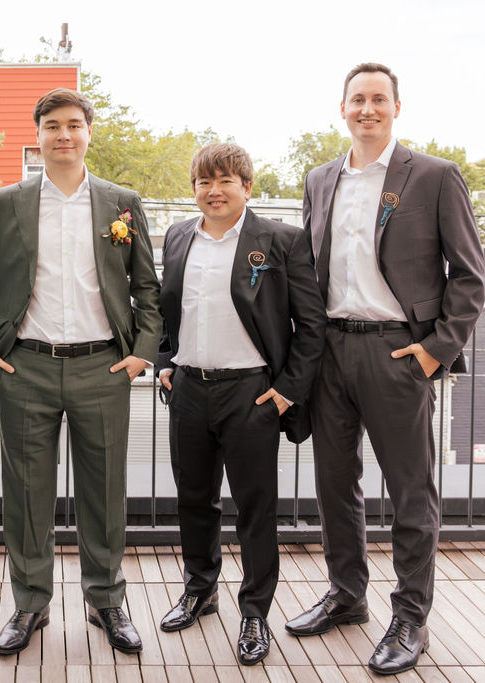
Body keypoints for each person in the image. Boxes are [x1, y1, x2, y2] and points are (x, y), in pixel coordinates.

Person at [284, 63, 485, 675]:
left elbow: (470, 276)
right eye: (357, 99)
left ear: (397, 107)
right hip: (331, 352)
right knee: (334, 484)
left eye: (378, 99)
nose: (366, 109)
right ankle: (347, 595)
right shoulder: (320, 180)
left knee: (409, 490)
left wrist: (436, 350)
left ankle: (410, 616)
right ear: (340, 109)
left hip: (399, 354)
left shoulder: (433, 176)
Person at [0, 88, 161, 656]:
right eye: (52, 125)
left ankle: (107, 601)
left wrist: (143, 351)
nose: (63, 135)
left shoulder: (122, 202)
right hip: (26, 367)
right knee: (26, 494)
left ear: (88, 131)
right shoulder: (6, 202)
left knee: (105, 490)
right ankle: (29, 605)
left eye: (73, 124)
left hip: (104, 366)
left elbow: (147, 285)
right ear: (38, 134)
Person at [156, 142, 326, 664]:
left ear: (247, 186)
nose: (214, 191)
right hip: (187, 387)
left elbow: (311, 326)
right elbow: (169, 310)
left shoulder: (280, 240)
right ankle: (200, 588)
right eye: (204, 182)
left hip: (252, 394)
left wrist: (287, 390)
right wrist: (165, 362)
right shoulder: (179, 236)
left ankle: (254, 611)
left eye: (226, 180)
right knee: (194, 498)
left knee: (255, 509)